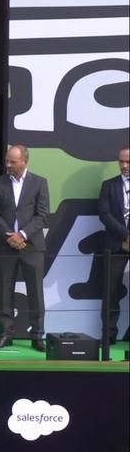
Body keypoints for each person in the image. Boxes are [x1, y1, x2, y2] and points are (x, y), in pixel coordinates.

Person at [0, 144, 49, 351]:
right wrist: (10, 237)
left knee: (36, 292)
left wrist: (22, 235)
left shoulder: (39, 182)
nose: (8, 165)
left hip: (31, 245)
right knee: (5, 291)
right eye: (7, 161)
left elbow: (42, 215)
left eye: (13, 162)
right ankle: (6, 334)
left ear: (25, 161)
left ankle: (38, 335)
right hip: (6, 246)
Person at [99, 147, 130, 344]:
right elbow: (104, 214)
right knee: (110, 293)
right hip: (116, 245)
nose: (124, 166)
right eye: (121, 162)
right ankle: (108, 335)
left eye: (128, 162)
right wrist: (126, 235)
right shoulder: (108, 185)